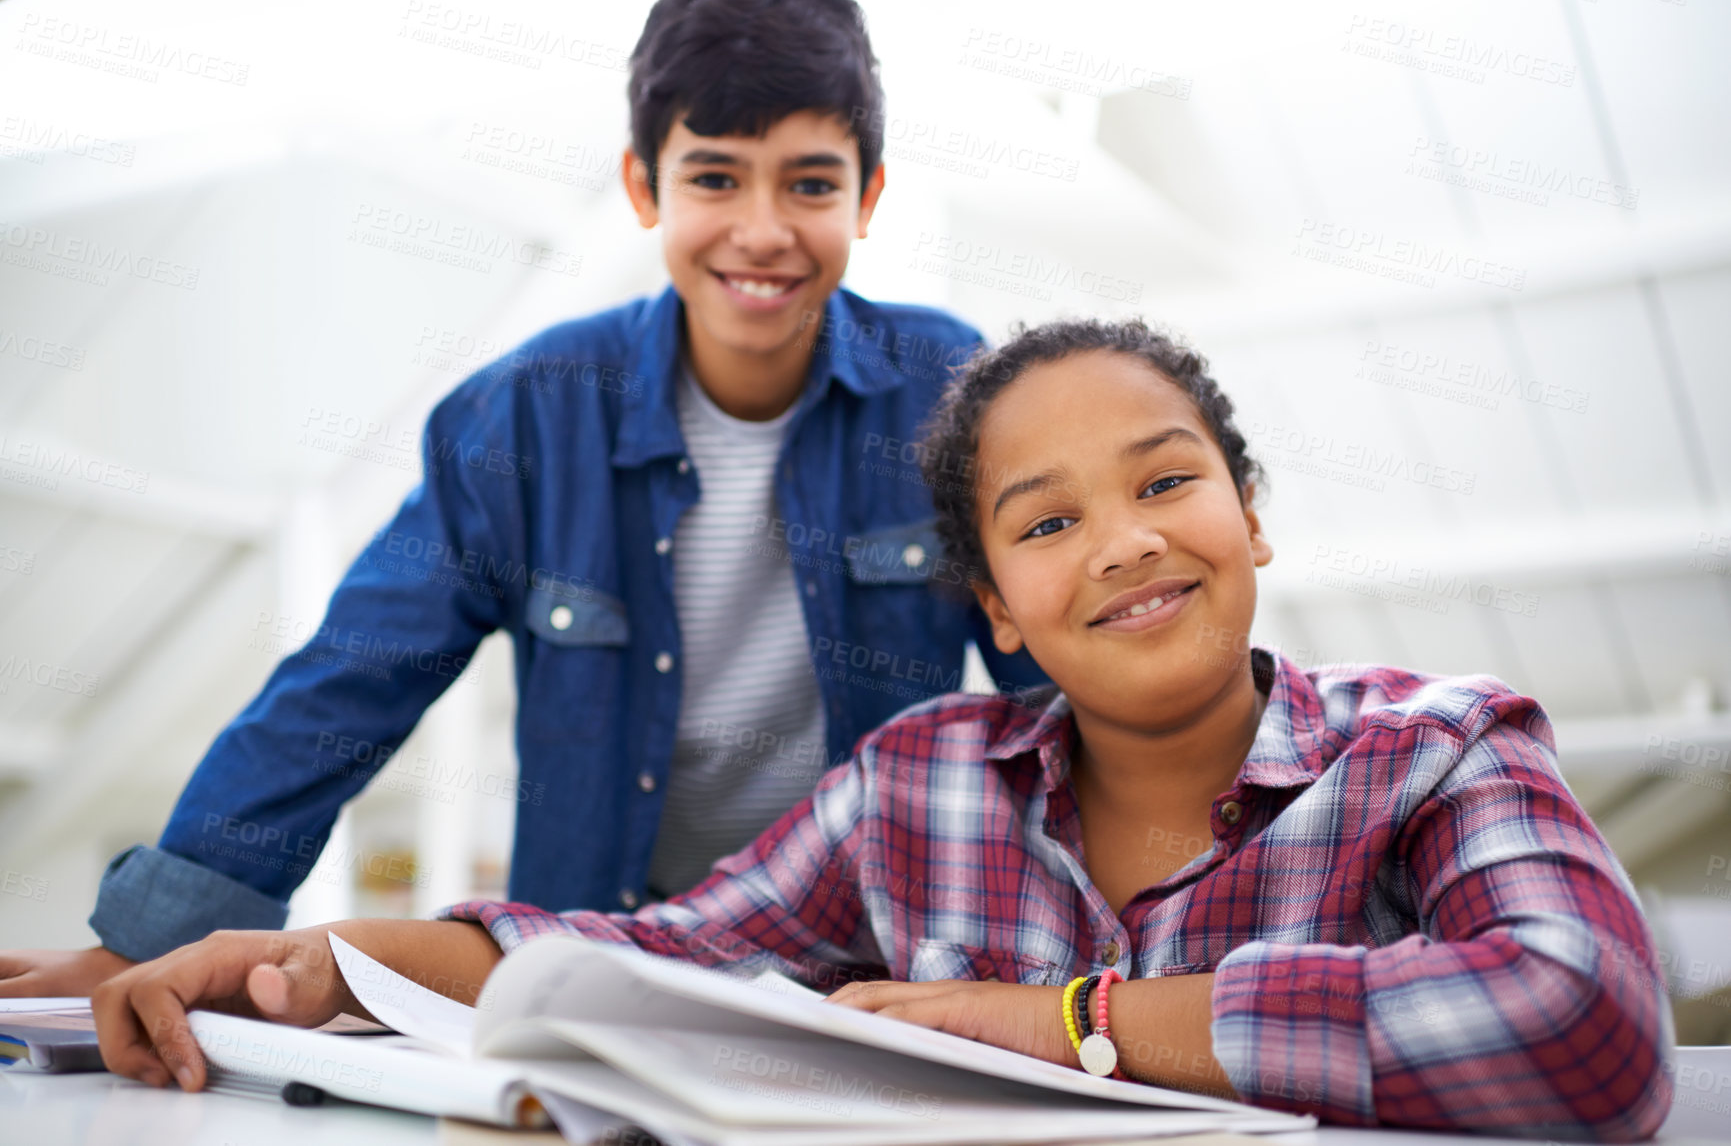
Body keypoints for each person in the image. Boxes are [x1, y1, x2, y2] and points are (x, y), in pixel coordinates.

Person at [90, 319, 1672, 1138]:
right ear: (991, 600)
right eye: (1046, 523)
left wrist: (1057, 1020)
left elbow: (1585, 1023)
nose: (1122, 540)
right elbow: (648, 953)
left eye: (1166, 480)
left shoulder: (1437, 748)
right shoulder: (914, 782)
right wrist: (328, 960)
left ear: (1251, 516)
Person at [0, 0, 1043, 998]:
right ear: (645, 187)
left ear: (868, 195)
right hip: (604, 967)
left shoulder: (951, 394)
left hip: (881, 972)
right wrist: (146, 940)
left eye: (810, 186)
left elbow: (1064, 693)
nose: (762, 230)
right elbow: (349, 683)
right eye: (716, 179)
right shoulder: (525, 419)